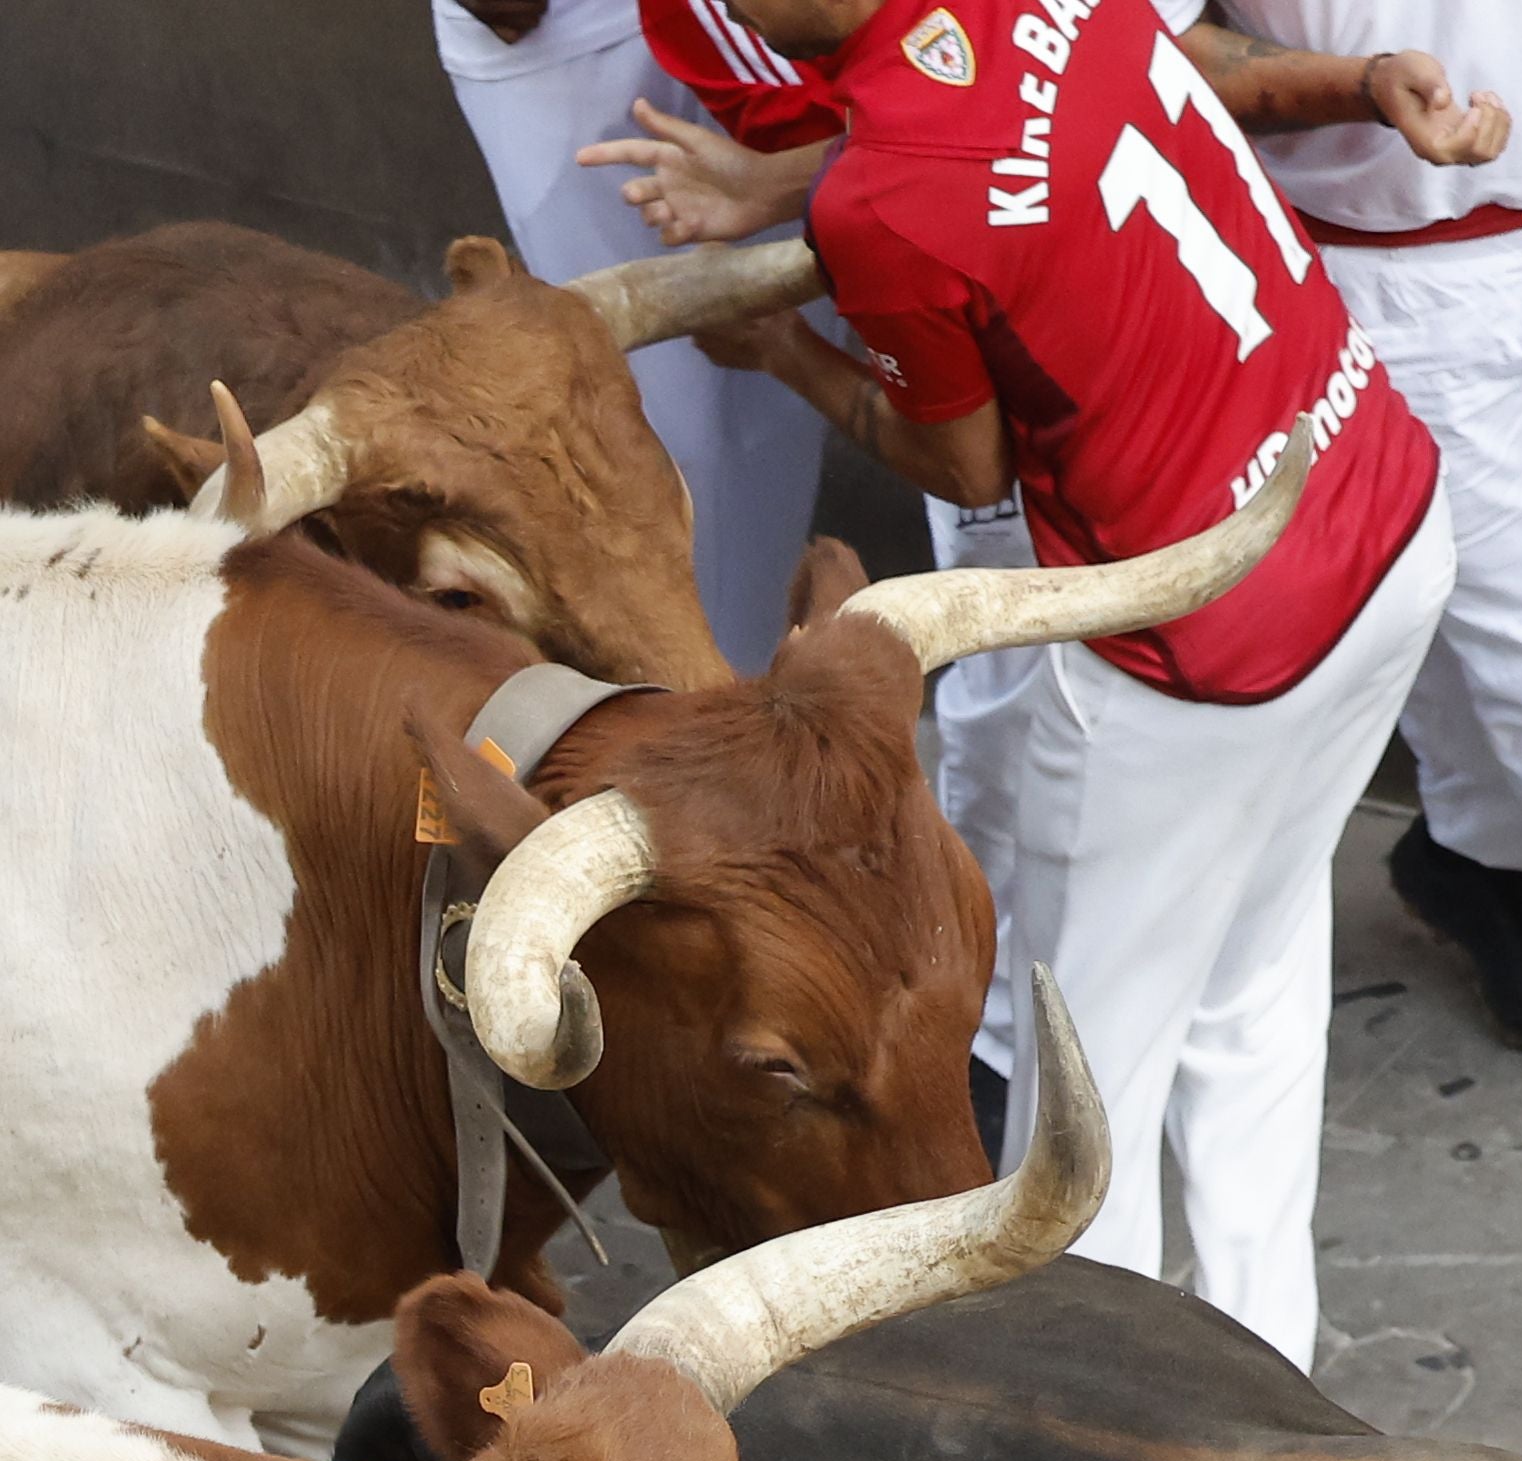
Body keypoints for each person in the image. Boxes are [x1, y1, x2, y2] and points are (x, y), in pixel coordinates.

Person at [585, 0, 1455, 1372]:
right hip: (1377, 507)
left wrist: (780, 351)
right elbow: (1182, 67)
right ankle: (1264, 1380)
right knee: (1250, 992)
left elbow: (961, 470)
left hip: (1195, 649)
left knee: (1080, 1101)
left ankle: (1099, 1442)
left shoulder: (882, 204)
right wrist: (1356, 81)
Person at [1175, 6, 1522, 1056]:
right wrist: (1364, 81)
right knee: (1519, 637)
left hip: (1476, 239)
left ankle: (1476, 855)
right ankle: (1479, 856)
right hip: (1403, 257)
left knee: (1485, 618)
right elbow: (1152, 42)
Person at [430, 0, 829, 669]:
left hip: (755, 32)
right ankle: (701, 718)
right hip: (571, 37)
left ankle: (738, 707)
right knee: (660, 433)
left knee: (778, 399)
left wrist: (776, 181)